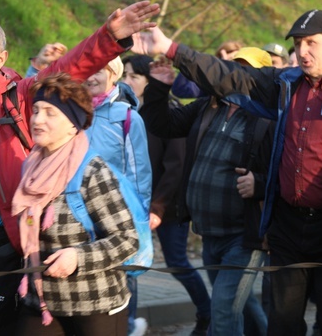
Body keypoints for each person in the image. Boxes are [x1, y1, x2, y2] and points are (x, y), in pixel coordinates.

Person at [133, 9, 322, 336]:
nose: (303, 51)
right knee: (282, 325)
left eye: (311, 42)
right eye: (298, 43)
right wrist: (172, 49)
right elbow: (227, 76)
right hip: (287, 227)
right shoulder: (284, 84)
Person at [0, 1, 158, 334]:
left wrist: (109, 37)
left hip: (7, 253)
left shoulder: (21, 96)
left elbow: (70, 67)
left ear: (0, 60)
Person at [141, 47, 274, 336]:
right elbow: (162, 124)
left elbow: (289, 171)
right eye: (231, 68)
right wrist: (159, 86)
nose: (235, 76)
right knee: (237, 304)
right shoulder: (209, 107)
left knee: (223, 311)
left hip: (244, 237)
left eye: (245, 70)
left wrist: (260, 184)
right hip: (210, 234)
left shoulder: (270, 119)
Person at [12, 73, 139, 335]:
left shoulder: (92, 171)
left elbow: (127, 240)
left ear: (73, 124)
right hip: (41, 302)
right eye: (35, 111)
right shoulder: (31, 167)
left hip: (94, 305)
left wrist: (78, 257)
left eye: (50, 113)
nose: (37, 119)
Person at [122, 55, 212, 336]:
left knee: (177, 262)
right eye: (124, 75)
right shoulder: (126, 112)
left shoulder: (168, 112)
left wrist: (158, 207)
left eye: (134, 77)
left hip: (167, 206)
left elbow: (175, 166)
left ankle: (207, 312)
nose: (127, 82)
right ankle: (130, 323)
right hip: (135, 205)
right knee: (130, 265)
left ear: (150, 82)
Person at [84, 56, 152, 336]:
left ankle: (126, 327)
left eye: (98, 69)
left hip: (116, 219)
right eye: (87, 68)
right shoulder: (74, 112)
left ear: (114, 74)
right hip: (80, 217)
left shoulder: (127, 118)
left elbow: (140, 175)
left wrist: (138, 224)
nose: (91, 76)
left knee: (122, 287)